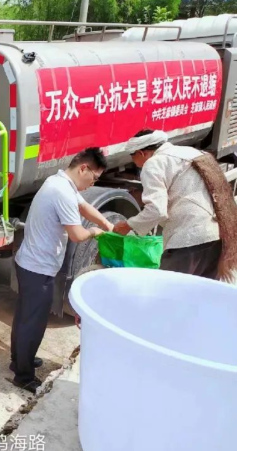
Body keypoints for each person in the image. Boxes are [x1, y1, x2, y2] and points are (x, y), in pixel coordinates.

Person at [12, 148, 113, 392]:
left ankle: (21, 359)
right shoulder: (62, 192)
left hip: (31, 263)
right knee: (33, 323)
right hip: (38, 268)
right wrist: (95, 231)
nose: (93, 184)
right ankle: (24, 375)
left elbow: (84, 207)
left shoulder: (59, 182)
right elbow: (77, 234)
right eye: (94, 178)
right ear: (83, 169)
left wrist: (107, 224)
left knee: (25, 317)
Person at [113, 129, 230, 280]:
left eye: (132, 156)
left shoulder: (153, 163)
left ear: (142, 153)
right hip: (216, 235)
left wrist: (129, 225)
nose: (133, 161)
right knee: (202, 290)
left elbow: (157, 210)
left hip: (188, 239)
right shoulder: (192, 152)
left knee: (167, 288)